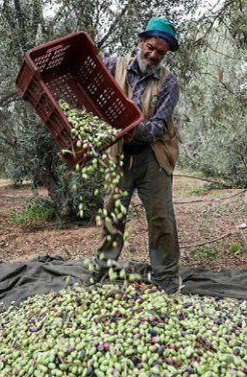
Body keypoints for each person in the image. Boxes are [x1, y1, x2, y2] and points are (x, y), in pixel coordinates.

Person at [94, 17, 182, 292]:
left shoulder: (169, 82)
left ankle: (165, 275)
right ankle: (104, 269)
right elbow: (90, 83)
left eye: (160, 53)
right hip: (119, 154)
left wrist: (132, 130)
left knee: (161, 216)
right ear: (141, 42)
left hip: (153, 155)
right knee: (113, 211)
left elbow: (158, 126)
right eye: (150, 47)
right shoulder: (113, 65)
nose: (153, 55)